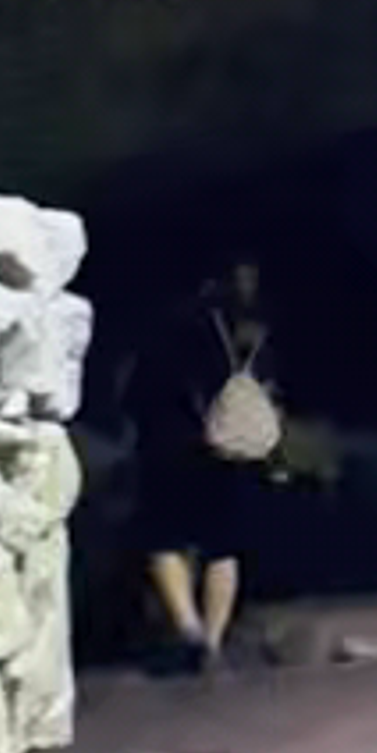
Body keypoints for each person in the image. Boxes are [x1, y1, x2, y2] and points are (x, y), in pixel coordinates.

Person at [135, 262, 284, 669]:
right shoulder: (255, 331)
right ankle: (215, 642)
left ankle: (189, 628)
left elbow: (142, 388)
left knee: (165, 539)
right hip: (229, 448)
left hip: (170, 445)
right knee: (223, 545)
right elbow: (271, 385)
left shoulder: (172, 326)